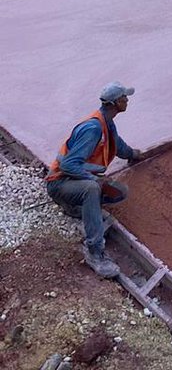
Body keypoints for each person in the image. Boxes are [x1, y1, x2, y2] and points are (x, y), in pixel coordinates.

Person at [45, 83, 144, 278]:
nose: (128, 100)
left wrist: (133, 154)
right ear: (116, 103)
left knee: (119, 192)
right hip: (59, 183)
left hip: (71, 181)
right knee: (92, 189)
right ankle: (95, 253)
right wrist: (92, 178)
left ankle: (73, 207)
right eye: (125, 98)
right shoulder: (93, 129)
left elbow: (117, 145)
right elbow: (68, 165)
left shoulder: (107, 122)